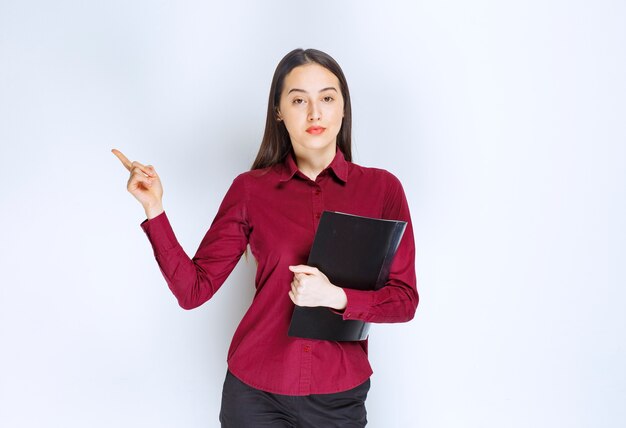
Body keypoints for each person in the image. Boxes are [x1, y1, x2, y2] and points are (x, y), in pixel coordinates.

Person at [113, 48, 418, 427]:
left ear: (343, 108)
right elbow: (193, 290)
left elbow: (404, 300)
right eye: (298, 100)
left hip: (339, 397)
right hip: (255, 394)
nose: (314, 113)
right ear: (279, 111)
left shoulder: (382, 190)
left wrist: (335, 297)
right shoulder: (250, 190)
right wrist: (154, 209)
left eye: (326, 98)